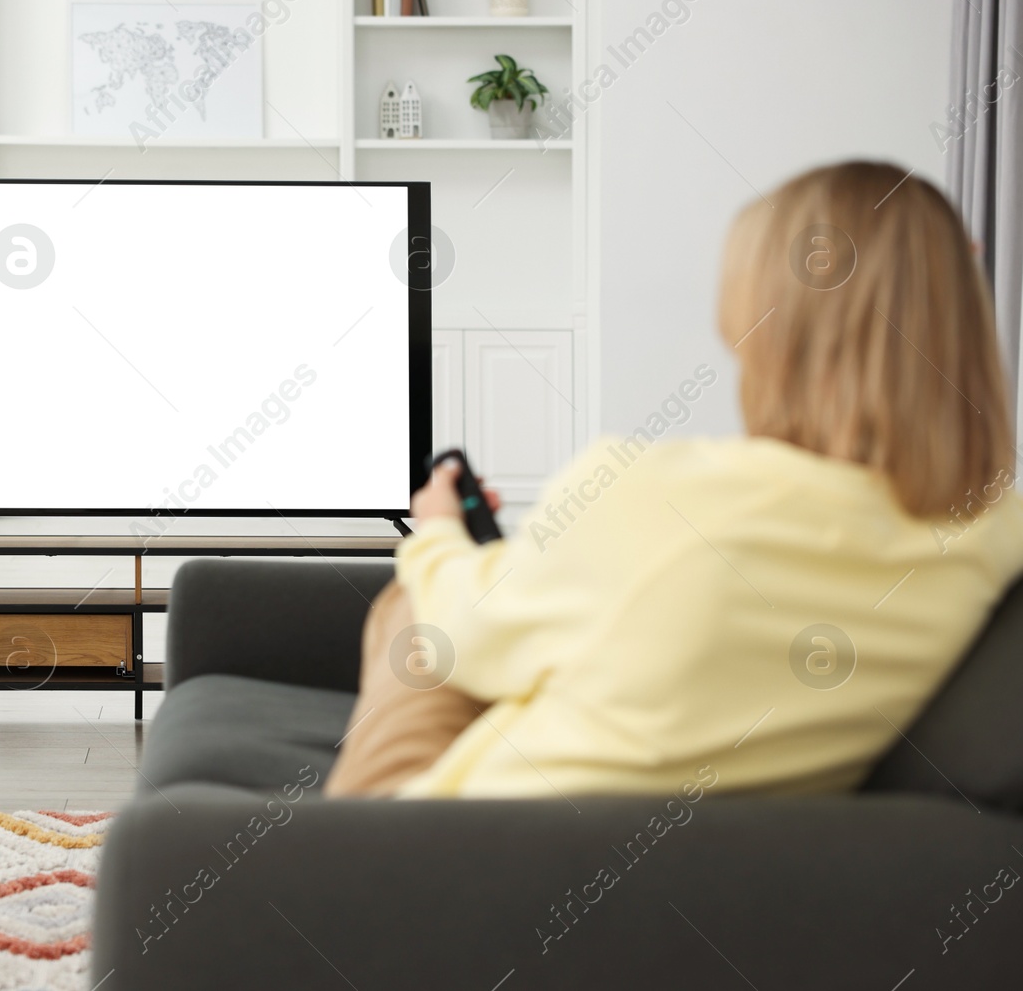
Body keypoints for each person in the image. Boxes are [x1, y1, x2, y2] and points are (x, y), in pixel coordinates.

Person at [326, 160, 1023, 799]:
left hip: (421, 857)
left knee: (415, 599)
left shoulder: (651, 491)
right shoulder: (991, 532)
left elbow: (465, 638)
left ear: (770, 330)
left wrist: (438, 531)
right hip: (707, 874)